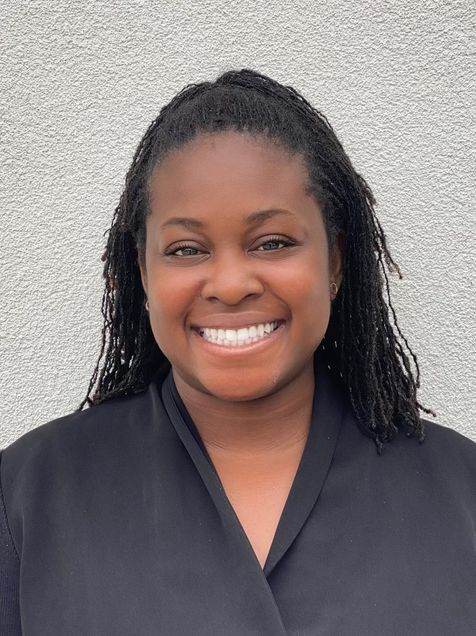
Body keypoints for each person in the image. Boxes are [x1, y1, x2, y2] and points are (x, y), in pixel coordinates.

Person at [1, 69, 474, 635]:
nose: (229, 285)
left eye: (272, 242)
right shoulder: (26, 497)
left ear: (334, 261)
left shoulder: (463, 494)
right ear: (143, 273)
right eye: (186, 249)